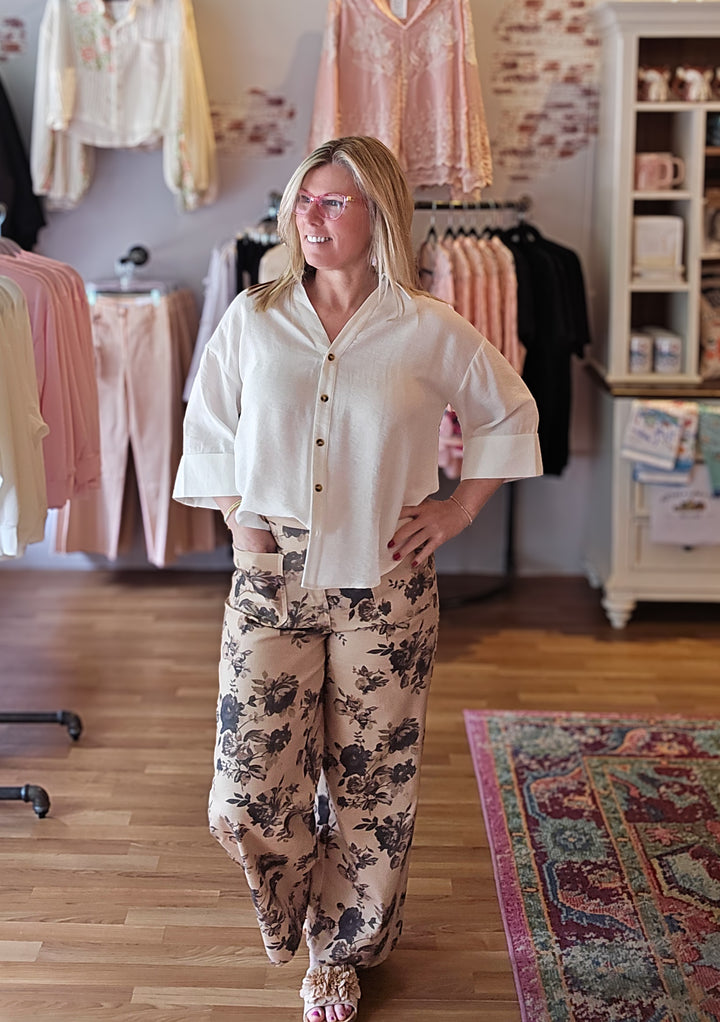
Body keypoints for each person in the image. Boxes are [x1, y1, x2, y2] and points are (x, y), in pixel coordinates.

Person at [173, 136, 542, 1022]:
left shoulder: (429, 327)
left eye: (334, 202)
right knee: (249, 788)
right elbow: (208, 424)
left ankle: (341, 952)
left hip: (387, 582)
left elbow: (510, 409)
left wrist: (455, 509)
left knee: (373, 779)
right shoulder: (253, 318)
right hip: (272, 576)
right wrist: (245, 521)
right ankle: (297, 906)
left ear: (378, 214)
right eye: (304, 200)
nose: (312, 217)